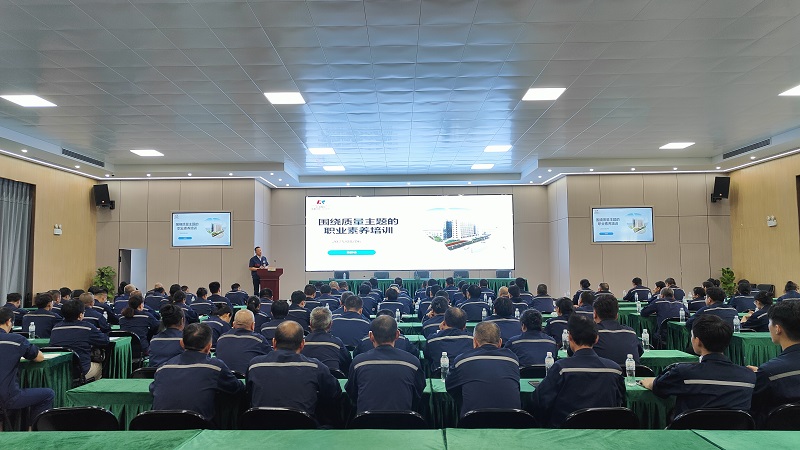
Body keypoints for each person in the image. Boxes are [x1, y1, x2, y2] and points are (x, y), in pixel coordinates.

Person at [640, 315, 755, 418]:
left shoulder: (683, 372)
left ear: (698, 341)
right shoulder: (749, 376)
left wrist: (650, 382)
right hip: (733, 434)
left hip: (688, 432)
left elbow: (659, 387)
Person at [532, 314, 625, 428]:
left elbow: (539, 401)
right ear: (596, 339)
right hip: (605, 433)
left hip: (565, 434)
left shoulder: (561, 369)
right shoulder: (615, 370)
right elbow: (620, 403)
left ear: (569, 337)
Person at [150, 323, 244, 421]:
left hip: (159, 426)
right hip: (199, 427)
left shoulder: (162, 368)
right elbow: (236, 388)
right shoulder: (215, 367)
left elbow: (153, 390)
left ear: (181, 343)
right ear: (209, 347)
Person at [247, 320, 340, 417]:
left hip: (260, 425)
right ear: (302, 344)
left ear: (274, 342)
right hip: (304, 426)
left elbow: (249, 394)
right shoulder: (316, 367)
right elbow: (334, 393)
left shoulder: (254, 366)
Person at [346, 315, 425, 413]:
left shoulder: (358, 362)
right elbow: (418, 393)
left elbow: (352, 393)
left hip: (366, 421)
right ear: (397, 335)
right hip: (403, 420)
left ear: (371, 336)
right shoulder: (413, 363)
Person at [446, 321, 521, 417]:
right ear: (500, 342)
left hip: (473, 421)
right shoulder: (512, 359)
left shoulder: (462, 360)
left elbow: (450, 387)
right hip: (512, 421)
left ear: (475, 342)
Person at [0, 308, 55, 426]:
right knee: (48, 394)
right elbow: (39, 357)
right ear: (9, 321)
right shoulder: (16, 340)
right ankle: (32, 431)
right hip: (7, 397)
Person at [748, 300, 800, 423]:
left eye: (769, 322)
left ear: (777, 329)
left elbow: (755, 412)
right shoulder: (770, 372)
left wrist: (764, 374)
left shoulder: (769, 372)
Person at [50, 299, 109, 380]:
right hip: (80, 371)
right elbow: (105, 341)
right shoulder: (87, 327)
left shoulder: (55, 328)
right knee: (100, 366)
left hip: (59, 371)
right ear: (80, 315)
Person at [215, 309, 271, 374]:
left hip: (224, 379)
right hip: (248, 378)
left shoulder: (221, 338)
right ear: (252, 325)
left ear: (233, 324)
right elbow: (271, 358)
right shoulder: (259, 340)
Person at [592, 295, 643, 364]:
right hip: (630, 371)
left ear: (595, 314)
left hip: (603, 371)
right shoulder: (631, 332)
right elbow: (639, 353)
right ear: (617, 315)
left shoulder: (591, 334)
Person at [301, 306, 352, 373]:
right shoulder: (337, 343)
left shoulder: (301, 344)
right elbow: (348, 362)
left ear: (310, 323)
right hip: (332, 378)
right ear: (330, 324)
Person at [425, 307, 474, 373]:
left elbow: (427, 356)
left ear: (444, 323)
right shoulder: (472, 340)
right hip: (465, 375)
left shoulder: (432, 340)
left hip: (440, 376)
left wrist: (441, 332)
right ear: (465, 326)